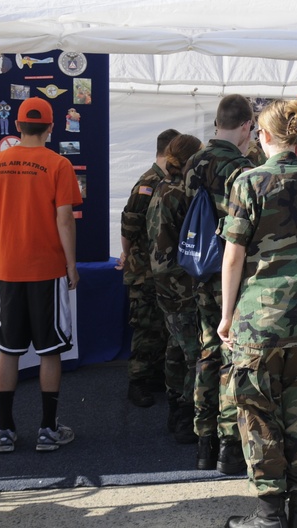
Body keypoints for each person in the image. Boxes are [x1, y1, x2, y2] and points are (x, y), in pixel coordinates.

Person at [219, 98, 297, 528]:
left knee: (258, 415)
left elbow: (233, 257)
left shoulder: (248, 183)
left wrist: (226, 314)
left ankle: (269, 514)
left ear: (264, 135)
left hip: (258, 323)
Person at [0, 97, 82, 454]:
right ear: (51, 127)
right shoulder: (58, 164)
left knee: (9, 349)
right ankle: (47, 429)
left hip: (10, 269)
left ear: (17, 126)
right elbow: (64, 218)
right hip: (47, 269)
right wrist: (71, 265)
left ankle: (4, 429)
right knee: (50, 350)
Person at [183, 94, 255, 473]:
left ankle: (203, 442)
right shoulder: (242, 168)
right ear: (246, 126)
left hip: (199, 269)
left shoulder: (193, 162)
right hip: (230, 273)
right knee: (231, 355)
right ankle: (229, 445)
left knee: (207, 350)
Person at [146, 133, 204, 445]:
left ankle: (175, 408)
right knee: (193, 351)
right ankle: (186, 415)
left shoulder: (161, 186)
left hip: (163, 279)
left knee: (175, 346)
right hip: (182, 282)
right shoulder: (184, 191)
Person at [117, 128, 180, 408]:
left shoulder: (166, 180)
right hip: (144, 270)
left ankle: (153, 376)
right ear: (170, 153)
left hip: (159, 270)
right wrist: (129, 257)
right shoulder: (149, 182)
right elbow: (128, 226)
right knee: (145, 327)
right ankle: (137, 382)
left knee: (159, 328)